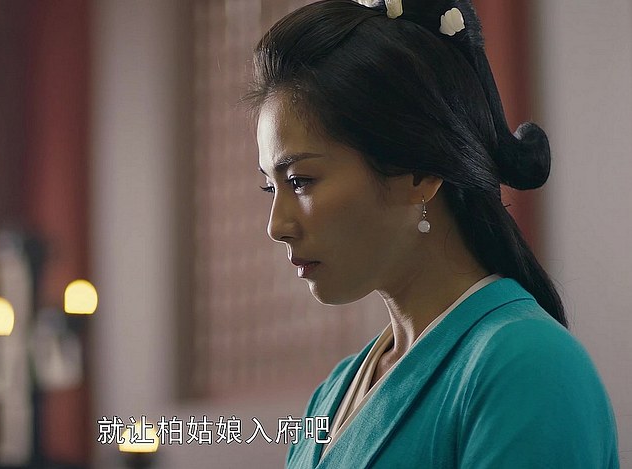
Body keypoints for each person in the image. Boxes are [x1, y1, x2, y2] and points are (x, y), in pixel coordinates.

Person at [245, 0, 619, 467]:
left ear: (420, 172)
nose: (276, 226)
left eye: (300, 181)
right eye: (271, 187)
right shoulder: (331, 395)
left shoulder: (528, 367)